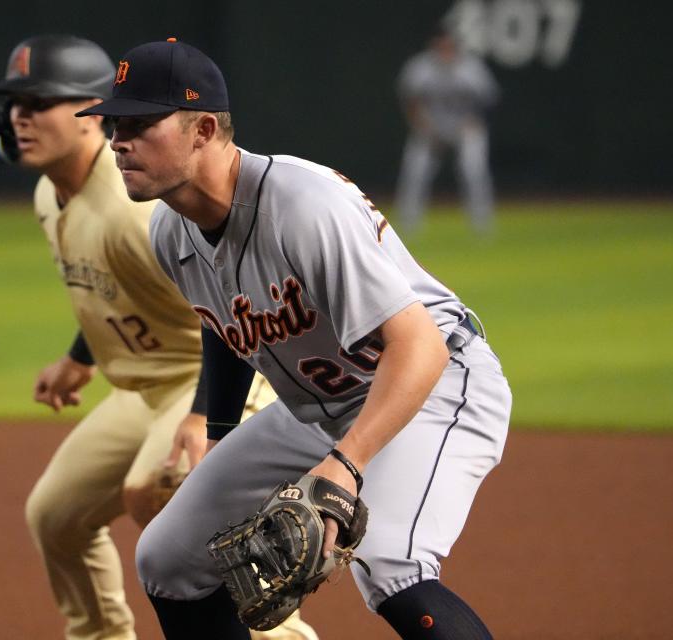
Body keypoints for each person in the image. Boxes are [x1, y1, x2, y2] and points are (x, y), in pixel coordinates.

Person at [77, 38, 512, 639]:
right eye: (113, 123)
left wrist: (347, 463)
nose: (117, 140)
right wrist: (220, 439)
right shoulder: (169, 232)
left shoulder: (302, 204)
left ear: (204, 128)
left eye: (140, 123)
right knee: (168, 559)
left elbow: (420, 346)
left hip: (435, 383)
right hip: (319, 406)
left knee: (390, 566)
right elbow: (225, 327)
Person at [0, 34, 317, 640]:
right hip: (142, 392)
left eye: (37, 103)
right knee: (55, 516)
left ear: (90, 118)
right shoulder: (49, 195)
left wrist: (200, 418)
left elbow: (223, 312)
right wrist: (78, 357)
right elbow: (116, 289)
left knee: (154, 490)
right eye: (13, 105)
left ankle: (281, 637)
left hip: (214, 380)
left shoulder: (134, 210)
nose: (17, 117)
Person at [395, 26, 500, 234]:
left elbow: (489, 101)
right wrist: (422, 126)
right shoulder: (420, 67)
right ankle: (408, 224)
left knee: (473, 170)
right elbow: (410, 100)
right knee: (415, 171)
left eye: (449, 46)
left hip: (465, 128)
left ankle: (482, 224)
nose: (445, 50)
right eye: (440, 46)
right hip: (430, 128)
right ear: (433, 46)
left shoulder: (471, 68)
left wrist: (473, 123)